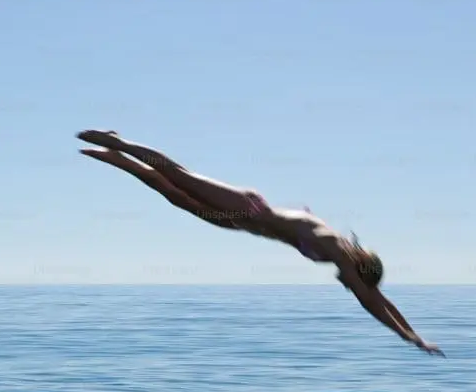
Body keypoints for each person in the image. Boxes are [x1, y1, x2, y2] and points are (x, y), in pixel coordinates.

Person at [77, 130, 444, 356]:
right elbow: (371, 300)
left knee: (173, 195)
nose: (349, 287)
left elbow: (377, 298)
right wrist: (410, 338)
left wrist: (412, 333)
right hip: (247, 208)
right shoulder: (336, 249)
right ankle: (118, 142)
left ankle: (116, 160)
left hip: (239, 222)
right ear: (360, 271)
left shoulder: (340, 258)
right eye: (355, 283)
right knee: (179, 177)